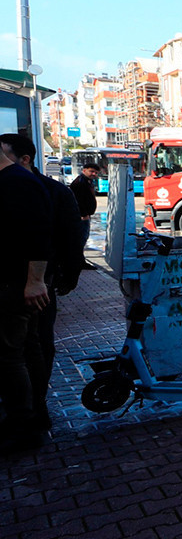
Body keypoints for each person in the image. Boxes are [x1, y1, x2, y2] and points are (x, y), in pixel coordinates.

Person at [0, 134, 82, 434]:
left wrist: (65, 277)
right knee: (28, 345)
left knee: (31, 345)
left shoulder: (35, 186)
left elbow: (64, 237)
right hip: (29, 282)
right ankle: (31, 411)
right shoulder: (22, 182)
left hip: (35, 283)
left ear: (24, 159)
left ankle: (33, 412)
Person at [0, 138, 52, 454]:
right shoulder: (14, 181)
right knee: (21, 350)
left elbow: (39, 235)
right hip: (14, 284)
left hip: (14, 285)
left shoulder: (17, 182)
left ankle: (24, 424)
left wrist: (35, 281)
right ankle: (30, 418)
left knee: (10, 355)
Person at [68, 162, 99, 268]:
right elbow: (78, 200)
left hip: (85, 215)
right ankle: (79, 262)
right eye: (91, 171)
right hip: (81, 216)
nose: (94, 174)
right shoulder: (79, 183)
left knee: (82, 239)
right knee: (80, 239)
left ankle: (80, 261)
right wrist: (83, 214)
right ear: (84, 170)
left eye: (96, 172)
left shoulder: (87, 181)